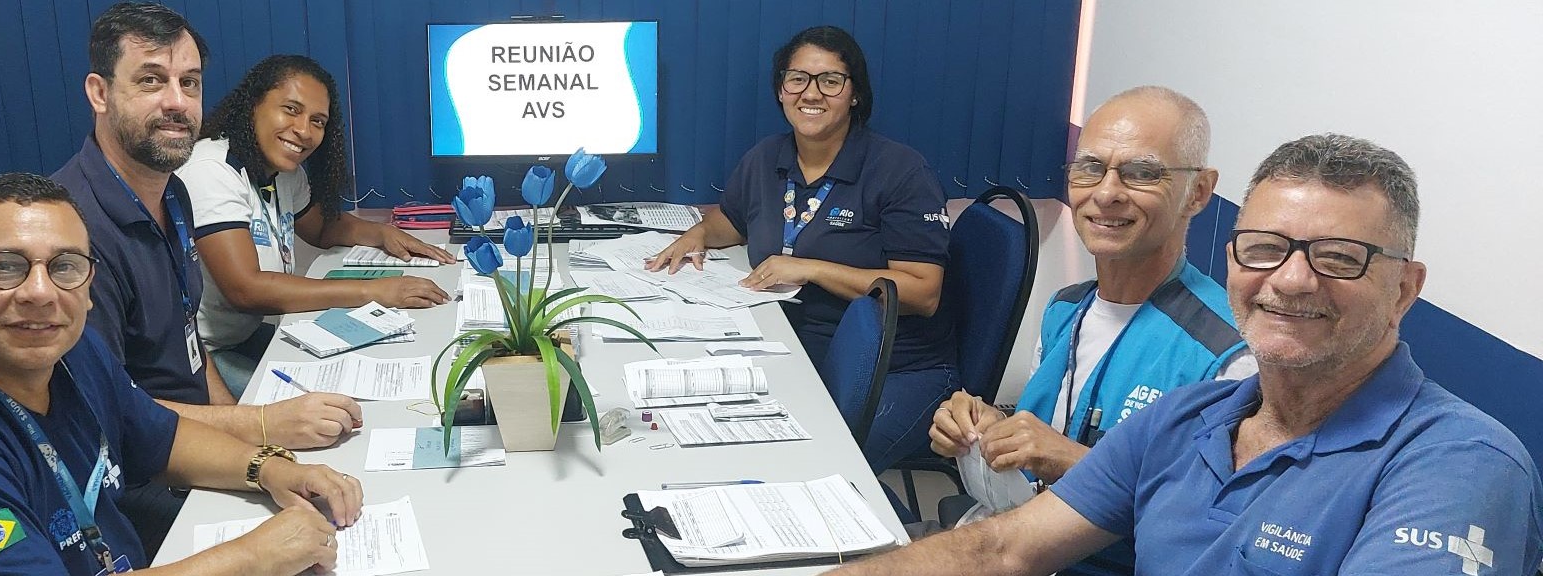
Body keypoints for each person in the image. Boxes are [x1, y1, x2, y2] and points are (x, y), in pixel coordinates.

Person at [826, 134, 1543, 575]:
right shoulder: (1187, 418)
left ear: (1404, 289)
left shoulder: (1458, 465)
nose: (1291, 280)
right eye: (1266, 249)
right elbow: (1003, 550)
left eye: (1340, 258)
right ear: (1233, 262)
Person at [0, 173, 364, 575]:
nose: (40, 293)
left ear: (88, 282)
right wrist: (254, 556)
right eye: (6, 266)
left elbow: (155, 436)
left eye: (64, 266)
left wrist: (269, 468)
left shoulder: (68, 347)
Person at [47, 2, 362, 553]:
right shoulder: (73, 236)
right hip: (133, 482)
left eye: (188, 83)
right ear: (99, 93)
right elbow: (112, 420)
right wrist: (259, 430)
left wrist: (248, 435)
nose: (176, 101)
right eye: (151, 80)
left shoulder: (173, 195)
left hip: (194, 443)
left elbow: (192, 348)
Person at [926, 86, 1254, 573]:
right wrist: (987, 420)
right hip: (1016, 543)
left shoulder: (1229, 356)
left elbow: (1219, 531)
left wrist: (1073, 462)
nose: (1106, 193)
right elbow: (1055, 424)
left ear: (1199, 192)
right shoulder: (1066, 309)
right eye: (1090, 168)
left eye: (1142, 173)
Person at [645, 25, 956, 472]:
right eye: (797, 79)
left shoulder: (900, 172)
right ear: (781, 89)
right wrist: (697, 234)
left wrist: (811, 269)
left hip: (896, 369)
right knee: (705, 436)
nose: (811, 93)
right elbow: (731, 222)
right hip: (793, 349)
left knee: (820, 471)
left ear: (855, 94)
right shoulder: (767, 157)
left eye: (830, 80)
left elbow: (923, 292)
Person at [174, 54, 453, 393]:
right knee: (315, 409)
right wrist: (372, 291)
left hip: (241, 337)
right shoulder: (211, 170)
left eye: (318, 121)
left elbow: (322, 228)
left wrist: (384, 234)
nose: (304, 131)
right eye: (291, 109)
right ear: (253, 106)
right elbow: (245, 290)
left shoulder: (282, 172)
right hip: (202, 355)